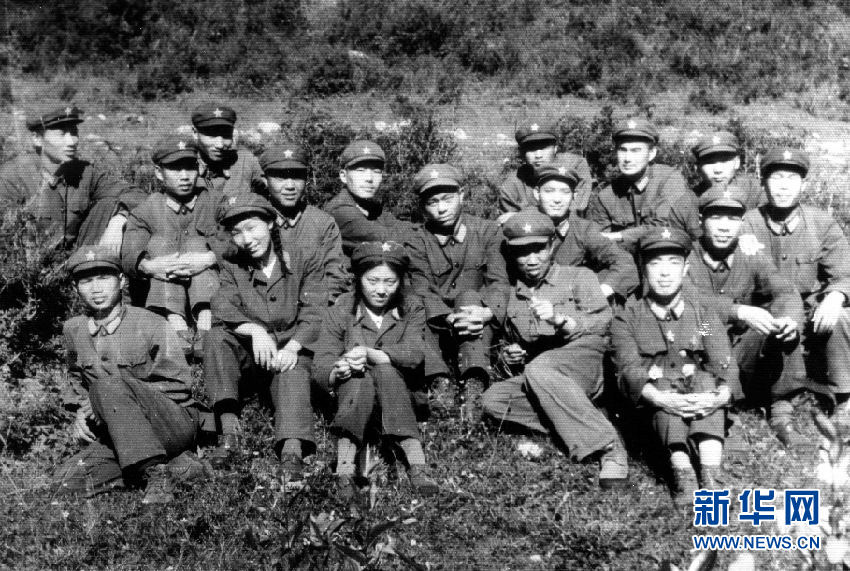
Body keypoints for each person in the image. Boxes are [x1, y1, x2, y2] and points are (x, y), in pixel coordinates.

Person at [475, 210, 629, 489]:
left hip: (586, 364)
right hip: (546, 378)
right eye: (522, 252)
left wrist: (561, 320)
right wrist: (512, 354)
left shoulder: (579, 276)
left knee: (539, 368)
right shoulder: (514, 296)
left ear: (551, 246)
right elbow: (516, 343)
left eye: (539, 249)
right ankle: (581, 421)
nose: (532, 259)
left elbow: (603, 325)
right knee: (494, 400)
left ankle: (610, 448)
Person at [53, 246, 206, 504]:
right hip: (123, 433)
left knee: (106, 387)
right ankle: (180, 468)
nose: (96, 289)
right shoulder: (73, 330)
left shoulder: (150, 323)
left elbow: (179, 385)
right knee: (66, 482)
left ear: (122, 281)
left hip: (172, 421)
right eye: (86, 281)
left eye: (104, 278)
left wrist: (111, 395)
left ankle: (156, 475)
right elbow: (75, 377)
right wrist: (81, 410)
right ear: (76, 288)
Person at [611, 227, 740, 505]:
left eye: (673, 263)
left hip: (700, 399)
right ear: (643, 269)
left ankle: (711, 471)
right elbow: (629, 370)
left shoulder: (702, 316)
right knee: (659, 382)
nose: (664, 273)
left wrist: (720, 395)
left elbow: (721, 358)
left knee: (706, 380)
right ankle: (682, 470)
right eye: (655, 264)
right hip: (654, 409)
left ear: (685, 270)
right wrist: (662, 399)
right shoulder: (627, 319)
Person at [203, 193, 324, 479]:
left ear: (270, 223)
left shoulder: (304, 257)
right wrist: (254, 330)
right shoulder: (233, 263)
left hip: (293, 349)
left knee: (292, 369)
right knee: (216, 338)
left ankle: (292, 451)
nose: (246, 239)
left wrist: (293, 347)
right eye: (237, 232)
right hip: (255, 356)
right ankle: (229, 431)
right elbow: (222, 305)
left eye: (252, 227)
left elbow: (316, 311)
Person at [312, 241, 439, 499]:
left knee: (386, 371)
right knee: (358, 378)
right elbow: (321, 364)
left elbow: (414, 353)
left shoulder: (411, 307)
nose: (381, 290)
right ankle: (345, 470)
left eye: (390, 282)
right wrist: (339, 369)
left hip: (398, 398)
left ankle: (417, 465)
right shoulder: (341, 309)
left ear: (400, 281)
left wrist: (370, 354)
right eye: (372, 281)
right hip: (354, 398)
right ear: (358, 278)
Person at [685, 185, 809, 447]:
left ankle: (781, 409)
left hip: (740, 351)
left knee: (781, 323)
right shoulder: (685, 255)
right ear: (701, 220)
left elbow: (785, 290)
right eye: (716, 217)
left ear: (742, 223)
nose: (724, 227)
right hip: (698, 346)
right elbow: (687, 299)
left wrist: (790, 322)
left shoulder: (750, 254)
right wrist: (738, 311)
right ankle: (725, 415)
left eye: (732, 219)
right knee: (708, 325)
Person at [739, 149, 850, 421]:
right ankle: (775, 399)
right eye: (776, 177)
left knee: (841, 315)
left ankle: (844, 397)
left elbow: (845, 271)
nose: (784, 186)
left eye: (792, 178)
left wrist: (836, 296)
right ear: (763, 182)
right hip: (767, 313)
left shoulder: (821, 223)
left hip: (810, 315)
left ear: (804, 184)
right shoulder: (746, 223)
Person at [405, 163, 508, 415]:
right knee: (413, 305)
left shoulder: (487, 231)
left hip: (476, 323)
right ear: (423, 207)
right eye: (432, 202)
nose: (441, 209)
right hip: (437, 322)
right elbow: (422, 288)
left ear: (461, 195)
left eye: (447, 199)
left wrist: (486, 313)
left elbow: (499, 282)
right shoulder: (417, 240)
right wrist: (450, 317)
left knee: (470, 296)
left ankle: (474, 380)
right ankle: (439, 382)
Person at [0, 106, 145, 250]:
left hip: (75, 255)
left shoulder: (84, 171)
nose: (72, 141)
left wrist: (120, 219)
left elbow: (137, 195)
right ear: (37, 139)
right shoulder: (11, 177)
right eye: (62, 134)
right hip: (27, 259)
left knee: (109, 205)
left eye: (74, 132)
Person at [121, 133, 220, 341]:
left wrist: (208, 258)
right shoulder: (146, 210)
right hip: (163, 292)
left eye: (190, 168)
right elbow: (129, 253)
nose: (184, 176)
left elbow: (236, 241)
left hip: (211, 292)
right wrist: (150, 266)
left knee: (197, 244)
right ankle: (175, 322)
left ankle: (206, 320)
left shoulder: (215, 202)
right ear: (159, 173)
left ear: (198, 169)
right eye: (175, 169)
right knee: (160, 245)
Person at [529, 163, 639, 301]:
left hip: (565, 300)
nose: (557, 200)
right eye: (549, 191)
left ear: (574, 195)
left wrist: (599, 292)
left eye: (565, 192)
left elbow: (624, 262)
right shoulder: (522, 224)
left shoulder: (584, 229)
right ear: (537, 193)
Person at [258, 142, 348, 303]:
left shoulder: (322, 223)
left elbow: (335, 278)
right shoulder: (254, 221)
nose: (290, 186)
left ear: (306, 179)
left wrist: (315, 310)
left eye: (297, 176)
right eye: (281, 177)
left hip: (314, 309)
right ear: (265, 180)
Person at [587, 118, 690, 254]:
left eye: (636, 151)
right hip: (624, 261)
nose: (627, 159)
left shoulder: (669, 180)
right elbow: (598, 243)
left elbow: (664, 227)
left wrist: (619, 236)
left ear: (651, 154)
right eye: (623, 150)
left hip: (665, 257)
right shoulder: (606, 196)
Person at [670, 131, 765, 240]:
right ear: (698, 168)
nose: (718, 170)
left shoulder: (755, 192)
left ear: (737, 162)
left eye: (724, 161)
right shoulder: (685, 204)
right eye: (709, 162)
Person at [323, 140, 403, 258]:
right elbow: (386, 238)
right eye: (360, 170)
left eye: (376, 171)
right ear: (343, 176)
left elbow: (401, 227)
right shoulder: (339, 211)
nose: (369, 178)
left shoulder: (371, 207)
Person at [498, 121, 594, 218]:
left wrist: (526, 216)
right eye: (531, 149)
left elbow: (577, 209)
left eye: (544, 147)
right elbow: (510, 222)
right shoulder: (513, 184)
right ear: (522, 152)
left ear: (555, 148)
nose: (538, 155)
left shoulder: (575, 165)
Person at [191, 104, 264, 199]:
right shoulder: (182, 166)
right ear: (195, 133)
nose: (220, 145)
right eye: (212, 135)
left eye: (226, 135)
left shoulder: (245, 162)